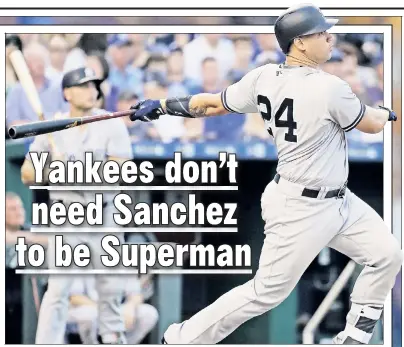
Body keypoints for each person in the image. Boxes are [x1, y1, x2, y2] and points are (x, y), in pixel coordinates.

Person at [128, 4, 401, 345]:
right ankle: (182, 338)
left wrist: (165, 105)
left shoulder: (263, 77)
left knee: (385, 253)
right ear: (300, 43)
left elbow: (211, 104)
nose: (330, 37)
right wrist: (388, 111)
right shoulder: (330, 87)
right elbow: (372, 124)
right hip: (300, 208)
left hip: (338, 200)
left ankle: (354, 338)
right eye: (321, 33)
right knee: (265, 292)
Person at [20, 67, 133, 344]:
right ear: (67, 93)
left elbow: (121, 168)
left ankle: (112, 339)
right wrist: (52, 170)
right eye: (84, 85)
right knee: (58, 289)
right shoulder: (53, 127)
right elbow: (27, 173)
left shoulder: (112, 122)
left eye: (94, 85)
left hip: (104, 213)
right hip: (68, 218)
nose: (92, 90)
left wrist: (74, 171)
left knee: (110, 287)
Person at [66, 275, 158, 344]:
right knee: (89, 315)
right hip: (88, 310)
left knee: (148, 313)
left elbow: (136, 294)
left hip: (116, 310)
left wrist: (130, 308)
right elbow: (75, 297)